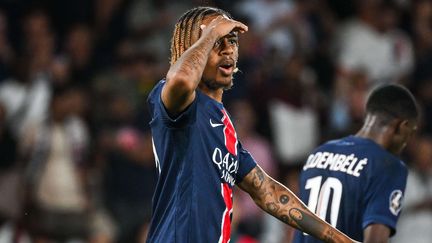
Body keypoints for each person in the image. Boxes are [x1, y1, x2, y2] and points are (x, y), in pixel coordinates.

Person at [146, 6, 357, 243]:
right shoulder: (173, 98)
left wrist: (341, 240)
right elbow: (182, 80)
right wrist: (210, 34)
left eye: (232, 41)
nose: (227, 49)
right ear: (192, 49)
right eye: (216, 42)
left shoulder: (224, 126)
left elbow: (268, 193)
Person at [293, 84, 419, 243]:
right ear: (403, 126)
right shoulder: (388, 166)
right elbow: (375, 240)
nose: (408, 142)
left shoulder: (318, 153)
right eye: (411, 132)